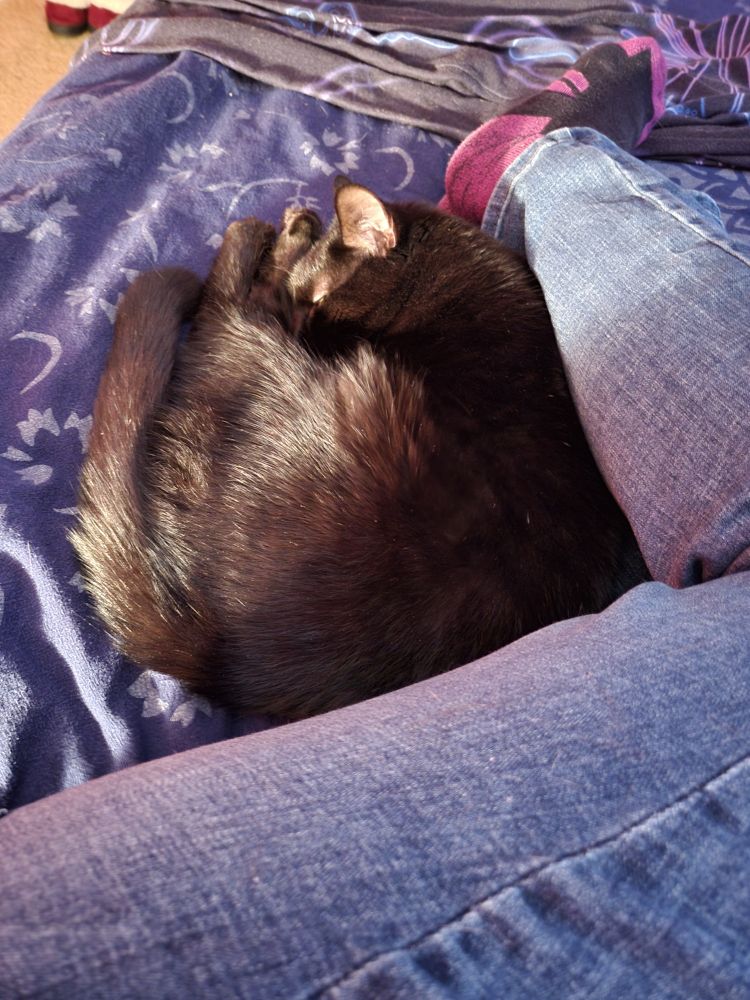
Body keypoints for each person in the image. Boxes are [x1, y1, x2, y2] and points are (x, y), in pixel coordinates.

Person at [1, 39, 748, 998]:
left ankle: (543, 173)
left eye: (316, 283)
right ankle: (541, 165)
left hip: (324, 577)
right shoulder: (499, 347)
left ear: (384, 245)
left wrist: (243, 301)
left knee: (340, 400)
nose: (314, 307)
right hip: (401, 605)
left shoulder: (446, 325)